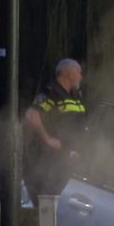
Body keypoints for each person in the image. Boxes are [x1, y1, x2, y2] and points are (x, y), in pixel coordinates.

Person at [25, 59, 87, 194]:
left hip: (70, 160)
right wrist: (47, 139)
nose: (81, 76)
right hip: (51, 162)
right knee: (50, 199)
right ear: (68, 73)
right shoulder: (51, 93)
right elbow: (32, 115)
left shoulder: (74, 96)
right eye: (78, 72)